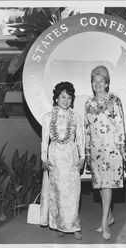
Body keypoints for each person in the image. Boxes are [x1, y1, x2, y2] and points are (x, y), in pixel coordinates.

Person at [84, 65, 126, 240]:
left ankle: (104, 223)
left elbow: (120, 126)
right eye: (94, 81)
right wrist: (87, 153)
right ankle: (110, 217)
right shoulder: (88, 103)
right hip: (96, 151)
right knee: (101, 186)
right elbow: (87, 129)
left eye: (101, 81)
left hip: (112, 150)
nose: (97, 84)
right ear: (92, 84)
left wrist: (123, 150)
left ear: (107, 83)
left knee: (107, 185)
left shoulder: (115, 101)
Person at [40, 81, 85, 240]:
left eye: (69, 97)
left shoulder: (76, 116)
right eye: (63, 97)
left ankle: (74, 226)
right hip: (55, 160)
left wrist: (82, 157)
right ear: (57, 98)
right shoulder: (47, 117)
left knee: (73, 194)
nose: (66, 100)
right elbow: (45, 140)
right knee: (58, 194)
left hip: (71, 158)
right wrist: (43, 158)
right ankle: (61, 225)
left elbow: (80, 138)